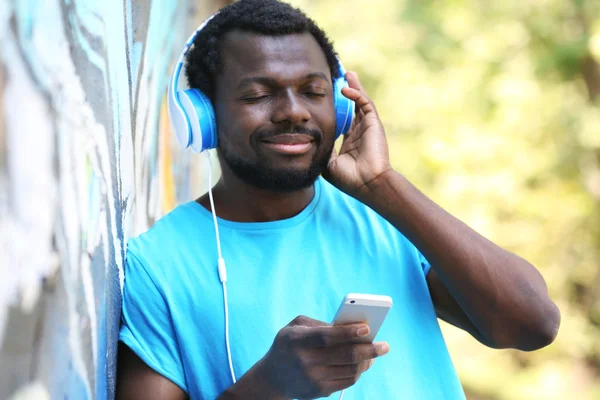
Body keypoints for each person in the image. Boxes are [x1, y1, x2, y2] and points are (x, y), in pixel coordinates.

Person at [116, 0, 561, 399]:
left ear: (343, 108)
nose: (294, 110)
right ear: (203, 114)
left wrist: (381, 184)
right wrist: (268, 387)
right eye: (258, 94)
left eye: (313, 91)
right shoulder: (157, 265)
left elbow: (533, 324)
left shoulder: (388, 216)